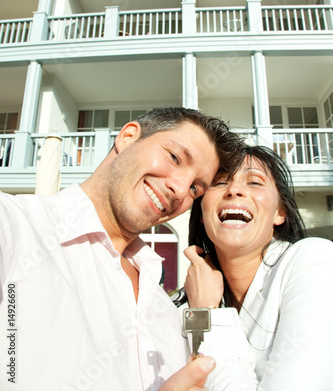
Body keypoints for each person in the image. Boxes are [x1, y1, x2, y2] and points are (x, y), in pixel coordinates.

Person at [0, 107, 242, 391]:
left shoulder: (162, 304)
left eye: (194, 189)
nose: (179, 189)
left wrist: (204, 312)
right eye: (174, 157)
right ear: (127, 137)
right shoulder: (15, 226)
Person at [181, 144, 333, 391]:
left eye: (255, 182)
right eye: (220, 183)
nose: (235, 190)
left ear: (279, 212)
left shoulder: (315, 261)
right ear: (200, 212)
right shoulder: (188, 299)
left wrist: (206, 312)